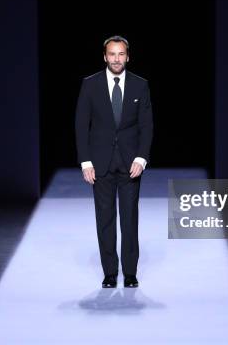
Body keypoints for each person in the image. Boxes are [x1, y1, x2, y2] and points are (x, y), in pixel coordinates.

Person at [75, 35, 153, 288]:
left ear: (128, 56)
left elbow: (146, 125)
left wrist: (142, 157)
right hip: (100, 163)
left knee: (130, 219)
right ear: (105, 56)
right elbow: (80, 124)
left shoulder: (140, 85)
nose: (116, 59)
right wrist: (85, 161)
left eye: (121, 54)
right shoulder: (90, 84)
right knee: (105, 219)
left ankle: (130, 273)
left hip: (131, 163)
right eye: (112, 54)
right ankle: (110, 273)